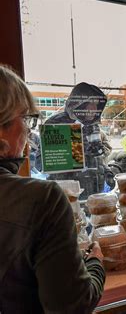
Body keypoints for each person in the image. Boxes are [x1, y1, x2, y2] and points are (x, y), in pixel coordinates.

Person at [0, 65, 105, 313]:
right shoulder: (42, 199)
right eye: (25, 119)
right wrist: (96, 264)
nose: (28, 130)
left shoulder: (91, 126)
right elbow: (74, 304)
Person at [45, 82, 111, 199]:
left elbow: (96, 156)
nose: (94, 109)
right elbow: (45, 162)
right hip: (67, 194)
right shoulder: (56, 123)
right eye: (90, 104)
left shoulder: (93, 125)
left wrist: (106, 171)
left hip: (94, 191)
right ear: (78, 104)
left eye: (96, 104)